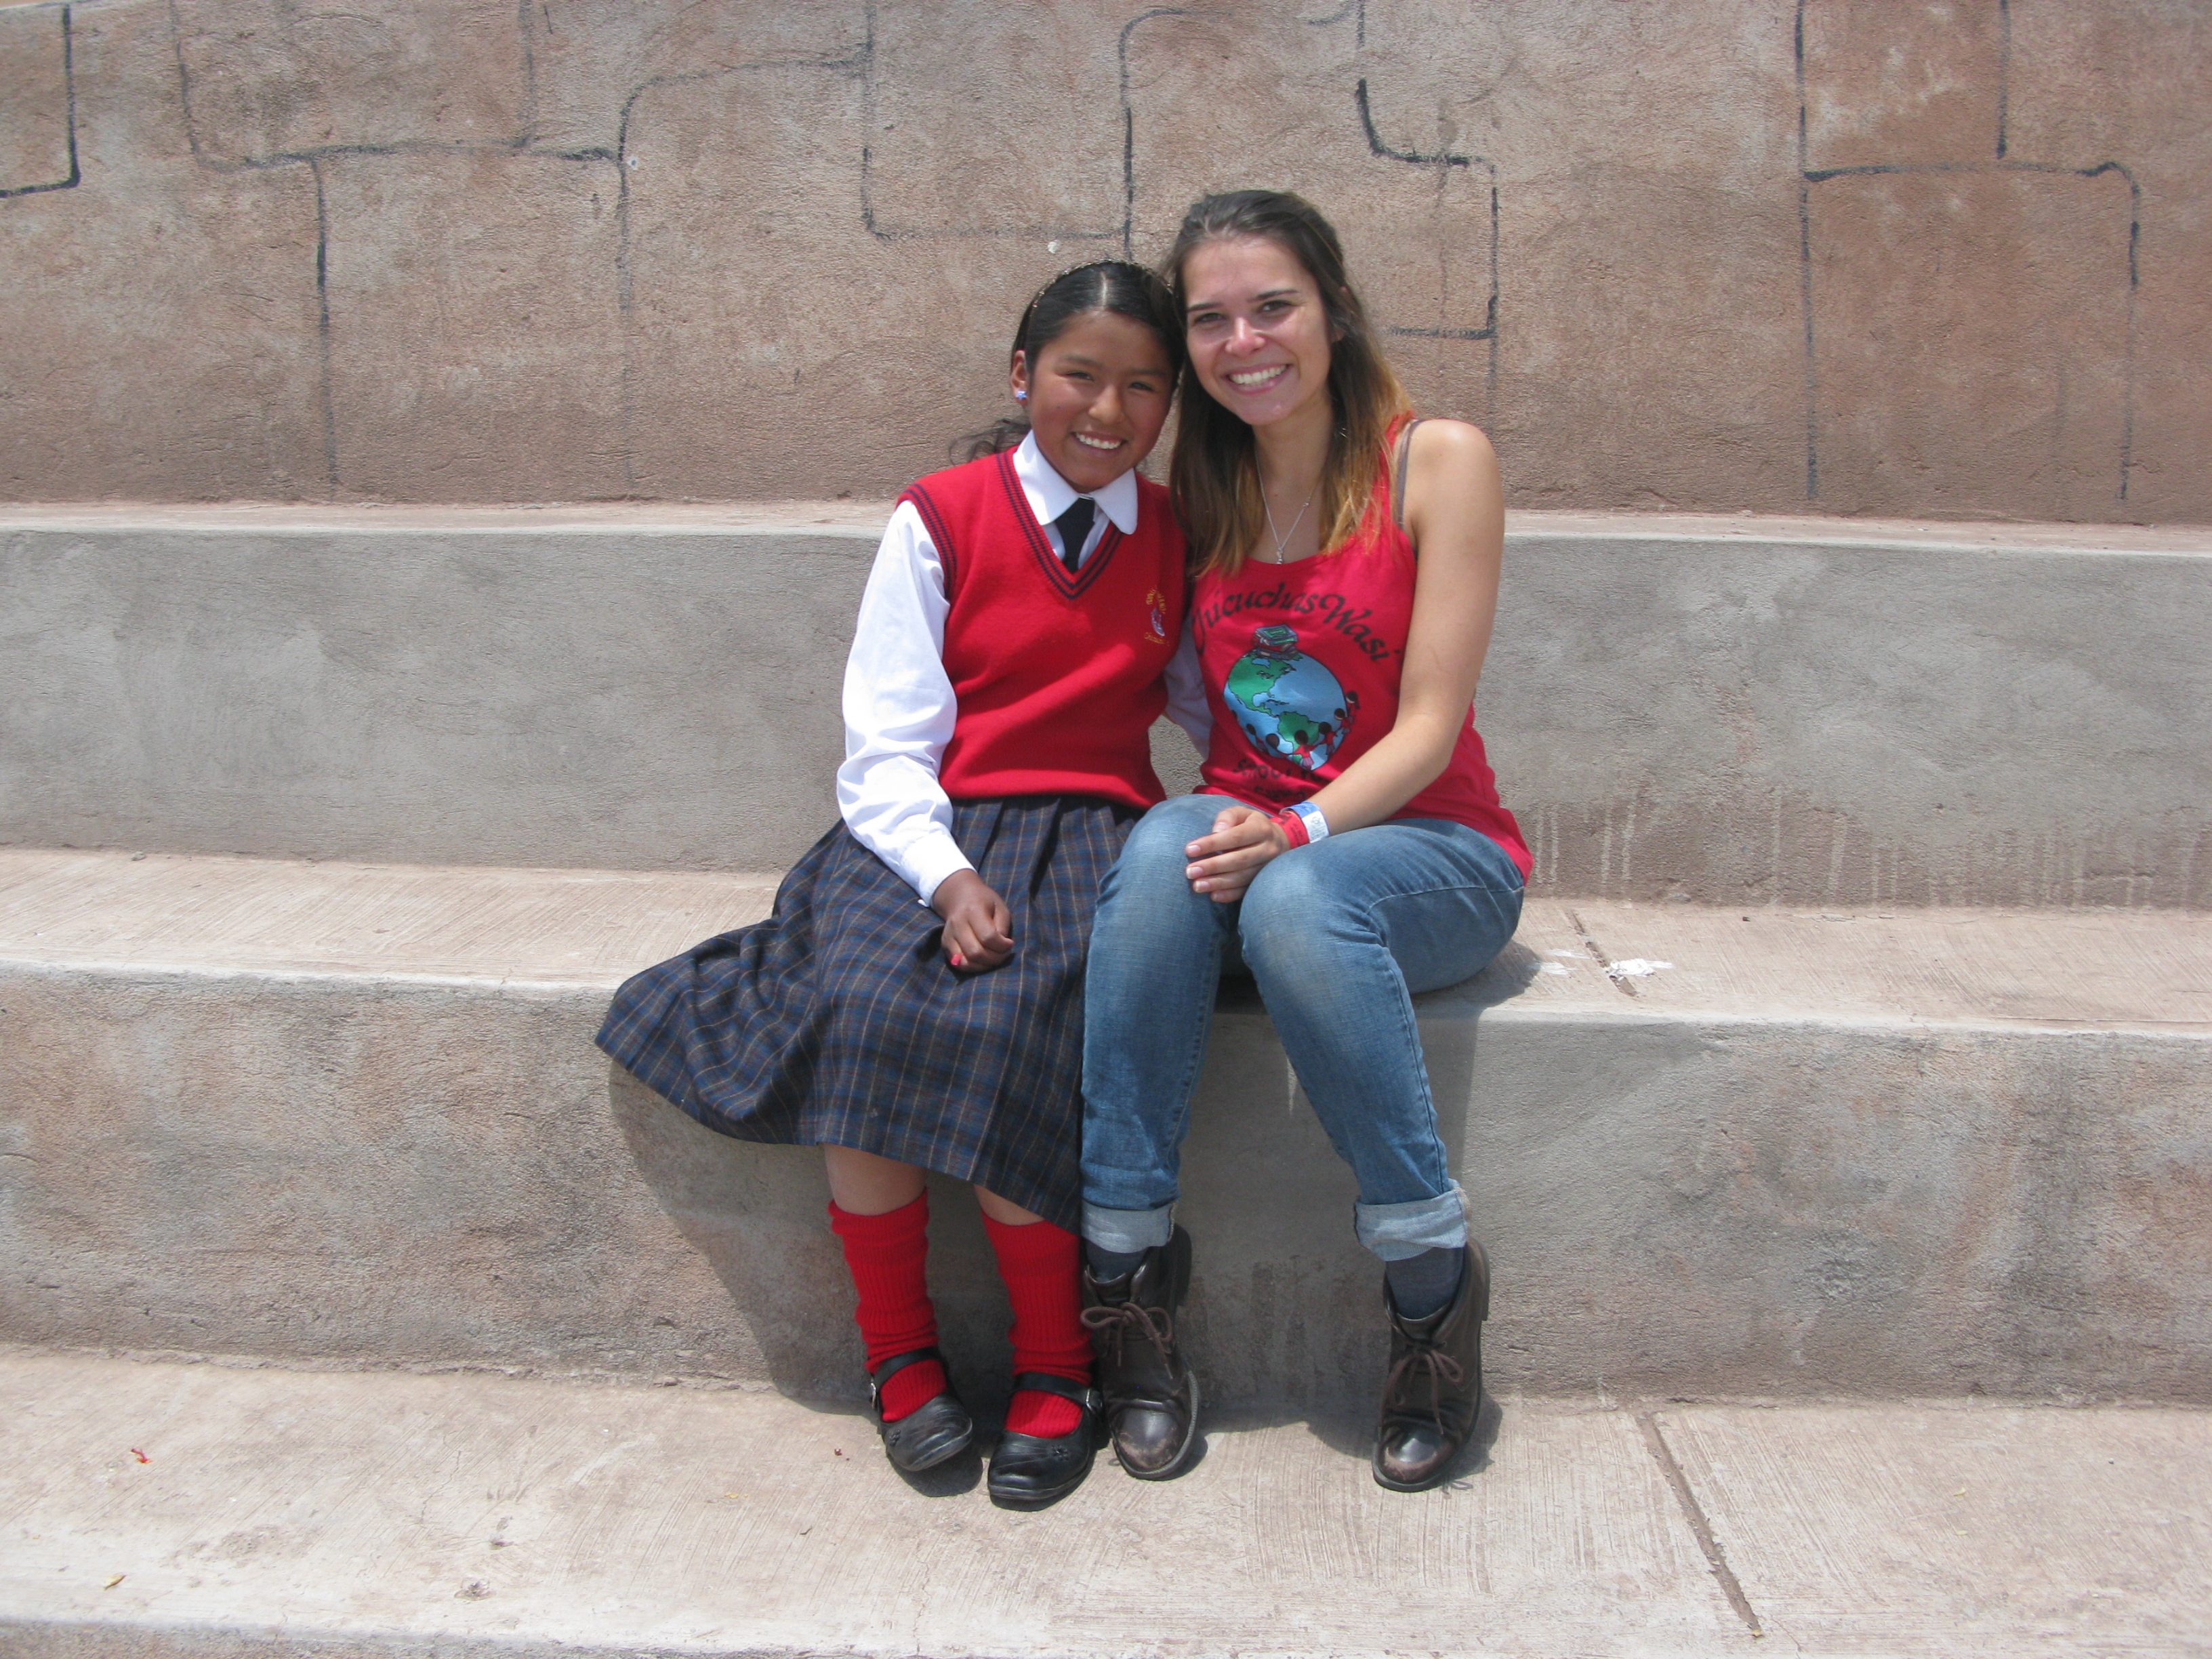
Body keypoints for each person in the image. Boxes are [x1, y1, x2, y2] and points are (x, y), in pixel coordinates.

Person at [598, 262, 1202, 1509]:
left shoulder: (1175, 535)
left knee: (1017, 1020)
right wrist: (946, 877)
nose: (1108, 411)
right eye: (1079, 375)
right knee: (865, 1007)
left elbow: (1209, 700)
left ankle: (1057, 1361)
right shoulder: (942, 517)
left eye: (1145, 387)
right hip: (926, 827)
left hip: (1091, 833)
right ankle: (898, 1352)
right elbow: (884, 746)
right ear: (1022, 374)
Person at [1077, 192, 1532, 1492]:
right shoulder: (1201, 493)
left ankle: (1431, 1288)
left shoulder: (1434, 461)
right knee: (1157, 858)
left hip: (1429, 851)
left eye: (1272, 306)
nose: (1245, 342)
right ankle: (1124, 1275)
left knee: (1297, 900)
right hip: (1256, 832)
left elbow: (1430, 727)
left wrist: (1300, 829)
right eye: (1211, 320)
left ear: (1332, 308)